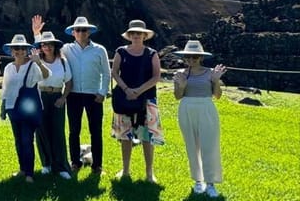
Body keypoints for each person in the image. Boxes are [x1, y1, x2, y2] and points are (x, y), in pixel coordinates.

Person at [36, 16, 110, 174]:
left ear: (89, 32)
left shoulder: (99, 50)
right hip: (73, 95)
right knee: (73, 130)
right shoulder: (66, 49)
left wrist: (103, 92)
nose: (81, 33)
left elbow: (106, 72)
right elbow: (45, 50)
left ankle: (97, 165)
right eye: (78, 30)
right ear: (73, 33)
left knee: (95, 131)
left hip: (94, 95)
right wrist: (37, 34)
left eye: (84, 30)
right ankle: (75, 162)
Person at [110, 20, 163, 182]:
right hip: (124, 97)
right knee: (125, 135)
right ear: (129, 35)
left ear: (144, 35)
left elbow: (156, 76)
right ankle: (125, 170)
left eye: (139, 33)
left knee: (147, 136)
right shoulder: (121, 51)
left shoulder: (152, 53)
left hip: (146, 99)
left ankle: (149, 173)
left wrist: (138, 91)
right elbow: (115, 72)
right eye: (133, 33)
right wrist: (127, 90)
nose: (136, 36)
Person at [174, 40, 226, 198]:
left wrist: (216, 81)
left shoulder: (210, 73)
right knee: (192, 145)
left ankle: (210, 183)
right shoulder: (181, 74)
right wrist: (181, 86)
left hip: (206, 108)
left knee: (209, 145)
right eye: (188, 57)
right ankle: (198, 181)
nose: (191, 60)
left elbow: (217, 95)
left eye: (194, 57)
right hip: (187, 108)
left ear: (200, 58)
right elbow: (177, 96)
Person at [1, 34, 51, 183]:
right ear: (11, 51)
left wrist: (39, 63)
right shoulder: (9, 67)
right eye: (16, 48)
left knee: (27, 139)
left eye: (23, 48)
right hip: (12, 107)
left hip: (28, 109)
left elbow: (47, 75)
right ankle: (23, 169)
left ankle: (29, 173)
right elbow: (5, 88)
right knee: (18, 140)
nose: (20, 51)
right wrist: (3, 108)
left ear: (27, 50)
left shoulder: (33, 65)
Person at [30, 25, 73, 180]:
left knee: (58, 132)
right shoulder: (37, 61)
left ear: (55, 46)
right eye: (43, 44)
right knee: (41, 131)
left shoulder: (62, 61)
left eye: (49, 44)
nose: (46, 47)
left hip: (56, 98)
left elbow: (68, 82)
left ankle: (61, 166)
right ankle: (46, 164)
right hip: (41, 97)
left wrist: (63, 98)